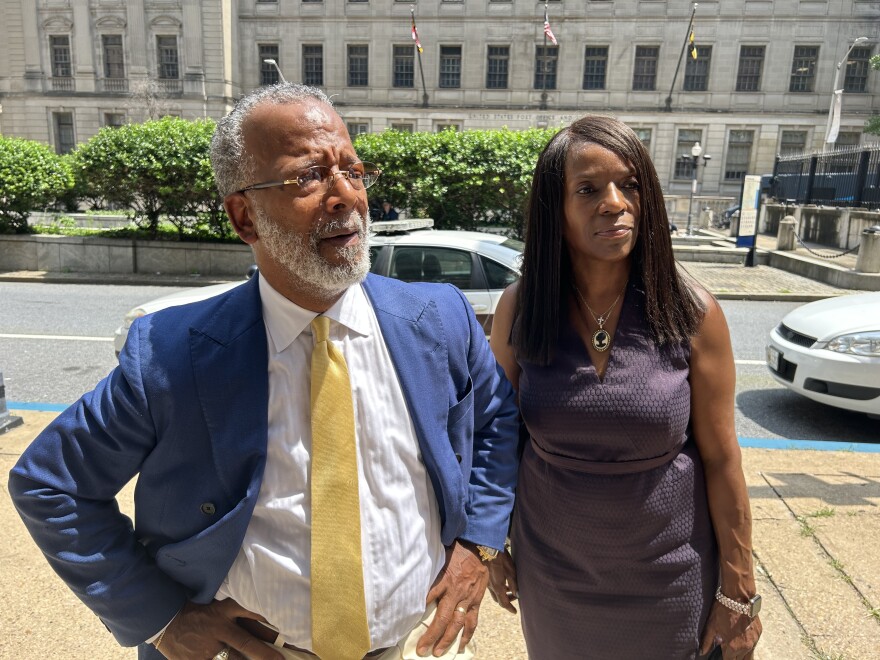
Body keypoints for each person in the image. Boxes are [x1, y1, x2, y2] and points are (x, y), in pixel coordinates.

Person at [9, 83, 519, 660]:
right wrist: (162, 618)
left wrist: (479, 544)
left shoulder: (439, 318)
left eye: (352, 170)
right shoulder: (172, 354)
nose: (344, 196)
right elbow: (51, 483)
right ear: (244, 216)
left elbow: (498, 420)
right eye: (308, 176)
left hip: (413, 645)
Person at [487, 115, 762, 659]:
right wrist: (490, 545)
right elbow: (496, 438)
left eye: (629, 185)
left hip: (669, 578)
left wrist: (739, 587)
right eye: (588, 189)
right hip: (556, 580)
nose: (615, 202)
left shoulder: (692, 311)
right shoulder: (521, 309)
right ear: (554, 212)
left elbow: (723, 458)